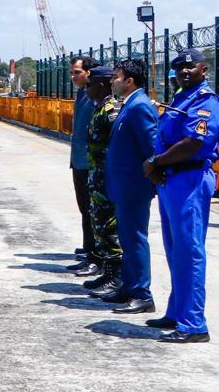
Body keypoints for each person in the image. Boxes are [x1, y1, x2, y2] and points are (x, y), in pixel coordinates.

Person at [143, 49, 219, 342]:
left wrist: (157, 162)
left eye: (190, 67)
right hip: (172, 179)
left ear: (203, 69)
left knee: (189, 251)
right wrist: (158, 165)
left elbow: (192, 143)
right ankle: (177, 311)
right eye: (179, 68)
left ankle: (194, 324)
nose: (184, 72)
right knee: (175, 249)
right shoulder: (181, 98)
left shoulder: (205, 101)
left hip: (190, 178)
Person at [103, 58, 159, 314]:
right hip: (123, 185)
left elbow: (151, 148)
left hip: (134, 186)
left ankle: (141, 293)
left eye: (116, 77)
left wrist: (153, 179)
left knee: (135, 238)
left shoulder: (139, 106)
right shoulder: (129, 104)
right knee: (126, 238)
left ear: (129, 81)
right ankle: (128, 286)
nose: (112, 81)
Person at [81, 67, 124, 296]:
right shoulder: (99, 109)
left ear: (101, 85)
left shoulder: (112, 110)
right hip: (96, 177)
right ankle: (107, 273)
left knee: (109, 227)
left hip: (107, 178)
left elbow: (118, 146)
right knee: (99, 224)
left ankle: (116, 277)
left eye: (90, 84)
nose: (86, 88)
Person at [67, 55, 99, 273]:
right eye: (72, 73)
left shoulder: (94, 96)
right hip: (78, 160)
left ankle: (95, 253)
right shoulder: (82, 94)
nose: (73, 77)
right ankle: (89, 247)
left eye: (77, 72)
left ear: (89, 73)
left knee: (92, 210)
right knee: (84, 208)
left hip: (89, 162)